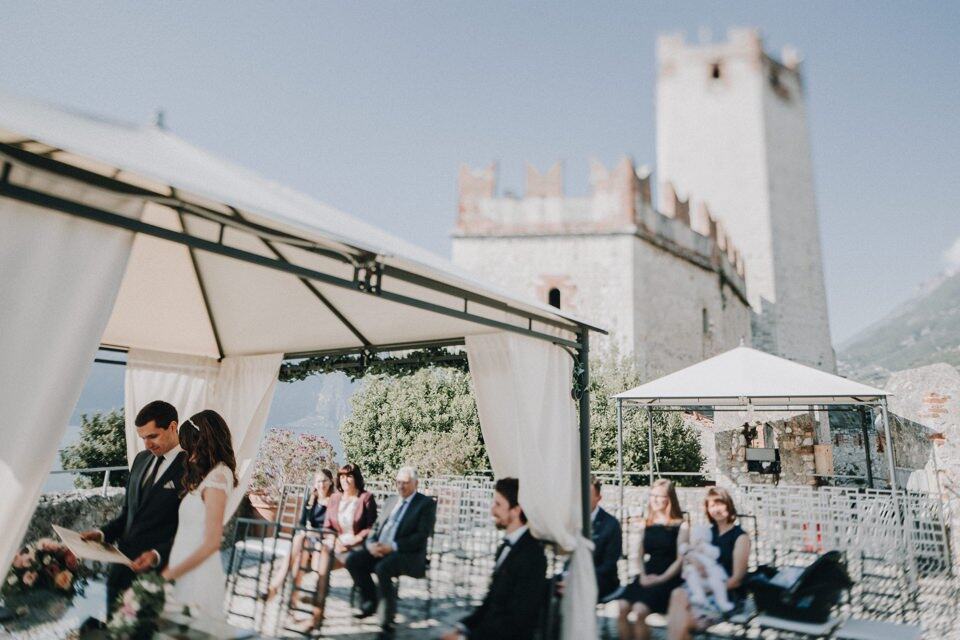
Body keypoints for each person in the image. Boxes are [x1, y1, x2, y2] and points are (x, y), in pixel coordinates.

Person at [81, 400, 186, 612]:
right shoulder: (140, 460)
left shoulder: (191, 467)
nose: (147, 444)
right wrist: (102, 534)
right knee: (113, 624)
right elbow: (128, 514)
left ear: (173, 427)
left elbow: (191, 530)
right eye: (143, 438)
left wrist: (157, 555)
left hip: (158, 577)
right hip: (120, 571)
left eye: (153, 436)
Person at [441, 477, 546, 640]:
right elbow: (491, 602)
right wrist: (464, 627)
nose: (492, 510)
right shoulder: (505, 547)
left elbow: (518, 621)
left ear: (516, 510)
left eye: (498, 504)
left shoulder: (532, 555)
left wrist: (466, 638)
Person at [160, 409, 239, 621]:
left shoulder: (218, 478)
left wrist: (168, 574)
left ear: (204, 444)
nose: (189, 456)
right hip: (183, 567)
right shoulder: (209, 476)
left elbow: (212, 542)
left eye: (191, 448)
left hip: (197, 575)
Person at [346, 466, 437, 639]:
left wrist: (392, 546)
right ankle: (371, 601)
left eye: (406, 483)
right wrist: (371, 544)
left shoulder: (425, 504)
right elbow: (376, 528)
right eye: (398, 482)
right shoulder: (391, 501)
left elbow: (421, 536)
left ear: (416, 483)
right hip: (380, 549)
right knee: (353, 560)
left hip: (408, 554)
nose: (401, 486)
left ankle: (386, 624)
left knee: (383, 568)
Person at [665, 487, 750, 640]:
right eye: (712, 505)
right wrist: (693, 559)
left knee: (682, 621)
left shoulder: (740, 537)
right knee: (677, 595)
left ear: (729, 505)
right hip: (701, 588)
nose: (716, 509)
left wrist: (706, 589)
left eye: (720, 503)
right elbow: (688, 551)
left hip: (726, 593)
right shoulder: (707, 533)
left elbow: (736, 580)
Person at [303, 463, 377, 629]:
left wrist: (354, 540)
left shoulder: (366, 498)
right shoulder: (336, 498)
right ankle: (317, 612)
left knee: (322, 560)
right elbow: (328, 526)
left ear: (356, 478)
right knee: (322, 555)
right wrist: (334, 540)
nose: (345, 480)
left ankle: (317, 608)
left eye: (349, 476)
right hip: (336, 544)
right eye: (342, 477)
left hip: (356, 546)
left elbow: (371, 527)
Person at [616, 479, 688, 640]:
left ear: (669, 499)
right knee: (621, 607)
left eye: (659, 496)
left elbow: (680, 560)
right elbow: (638, 555)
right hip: (648, 573)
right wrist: (642, 576)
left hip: (669, 577)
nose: (654, 499)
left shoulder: (681, 526)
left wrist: (660, 579)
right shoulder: (646, 524)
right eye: (652, 495)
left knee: (639, 611)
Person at [264, 468, 336, 602]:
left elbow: (335, 527)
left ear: (331, 482)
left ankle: (280, 591)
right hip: (308, 539)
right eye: (318, 481)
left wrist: (316, 533)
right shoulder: (311, 499)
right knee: (300, 543)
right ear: (315, 483)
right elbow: (302, 523)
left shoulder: (334, 501)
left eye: (325, 481)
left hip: (324, 541)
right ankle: (284, 592)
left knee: (300, 555)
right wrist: (306, 531)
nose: (321, 484)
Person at [557, 475, 622, 601]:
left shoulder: (611, 524)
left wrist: (578, 580)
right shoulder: (571, 521)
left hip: (600, 578)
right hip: (570, 576)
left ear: (599, 498)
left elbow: (609, 565)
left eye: (587, 494)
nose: (582, 499)